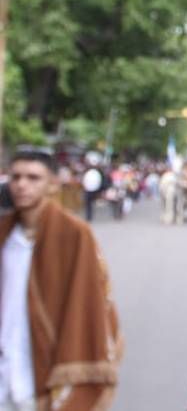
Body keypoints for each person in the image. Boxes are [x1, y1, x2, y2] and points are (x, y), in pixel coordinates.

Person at [0, 149, 121, 410]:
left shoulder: (75, 235)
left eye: (33, 178)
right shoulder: (4, 233)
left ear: (53, 184)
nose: (22, 185)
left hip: (41, 371)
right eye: (16, 177)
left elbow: (91, 301)